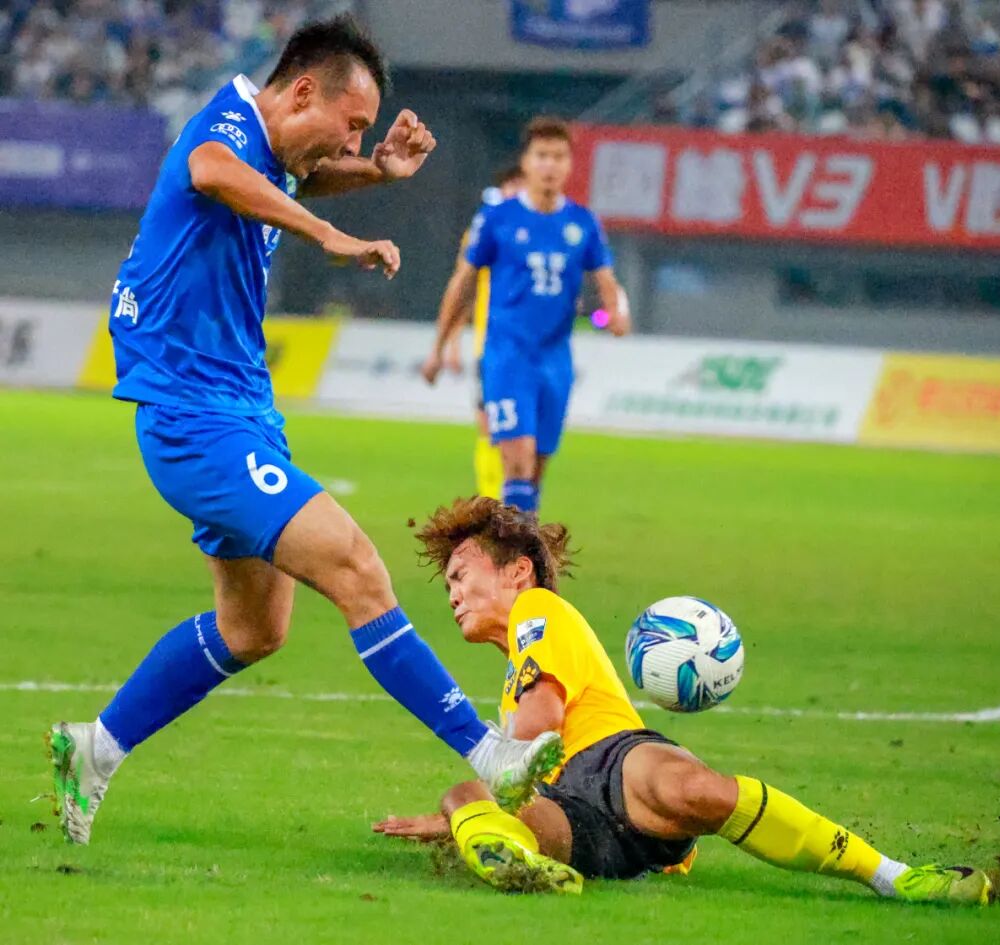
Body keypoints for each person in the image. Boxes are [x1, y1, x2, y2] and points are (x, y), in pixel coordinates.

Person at [46, 15, 564, 847]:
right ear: (300, 93)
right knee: (358, 566)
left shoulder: (268, 149)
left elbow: (297, 177)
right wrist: (326, 235)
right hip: (193, 419)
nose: (353, 141)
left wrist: (376, 171)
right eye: (351, 125)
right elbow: (213, 170)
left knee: (254, 628)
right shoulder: (225, 125)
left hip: (240, 411)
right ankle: (489, 751)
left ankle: (95, 747)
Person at [373, 496, 992, 905]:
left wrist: (491, 798)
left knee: (689, 788)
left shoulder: (539, 610)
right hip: (576, 813)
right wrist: (468, 818)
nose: (452, 593)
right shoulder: (515, 661)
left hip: (616, 764)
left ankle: (894, 877)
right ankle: (517, 863)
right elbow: (526, 754)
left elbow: (542, 726)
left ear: (517, 573)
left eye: (460, 574)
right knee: (461, 796)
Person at [421, 117, 631, 514]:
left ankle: (519, 543)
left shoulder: (582, 223)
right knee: (517, 462)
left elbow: (606, 280)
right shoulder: (497, 219)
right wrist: (439, 347)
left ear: (569, 164)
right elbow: (463, 284)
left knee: (534, 472)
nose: (550, 165)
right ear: (526, 162)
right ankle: (516, 552)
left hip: (556, 361)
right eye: (542, 156)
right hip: (507, 355)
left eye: (559, 156)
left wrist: (617, 310)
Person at [440, 165, 525, 500]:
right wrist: (452, 342)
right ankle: (492, 501)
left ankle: (512, 502)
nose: (515, 191)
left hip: (532, 349)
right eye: (510, 185)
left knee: (523, 435)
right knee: (488, 425)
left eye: (520, 185)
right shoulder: (487, 230)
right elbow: (466, 290)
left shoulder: (545, 231)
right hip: (490, 345)